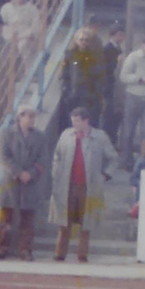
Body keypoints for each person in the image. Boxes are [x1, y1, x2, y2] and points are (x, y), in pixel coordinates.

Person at [50, 107, 117, 263]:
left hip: (89, 186)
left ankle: (82, 254)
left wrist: (105, 175)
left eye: (77, 121)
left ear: (86, 121)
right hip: (67, 184)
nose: (74, 124)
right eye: (73, 121)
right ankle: (60, 253)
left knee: (86, 222)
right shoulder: (66, 135)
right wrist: (56, 174)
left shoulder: (99, 137)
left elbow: (113, 158)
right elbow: (57, 156)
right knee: (64, 220)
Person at [0, 105, 50, 261]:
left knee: (28, 218)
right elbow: (4, 157)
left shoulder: (40, 136)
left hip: (30, 182)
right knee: (6, 217)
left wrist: (31, 173)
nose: (31, 120)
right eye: (28, 116)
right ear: (19, 117)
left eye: (33, 116)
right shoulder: (6, 133)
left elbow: (43, 159)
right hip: (11, 181)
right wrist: (19, 172)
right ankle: (2, 249)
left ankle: (25, 250)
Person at [118, 33, 145, 167]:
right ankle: (125, 161)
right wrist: (139, 79)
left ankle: (144, 160)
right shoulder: (134, 57)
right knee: (128, 131)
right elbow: (123, 76)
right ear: (143, 45)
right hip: (133, 98)